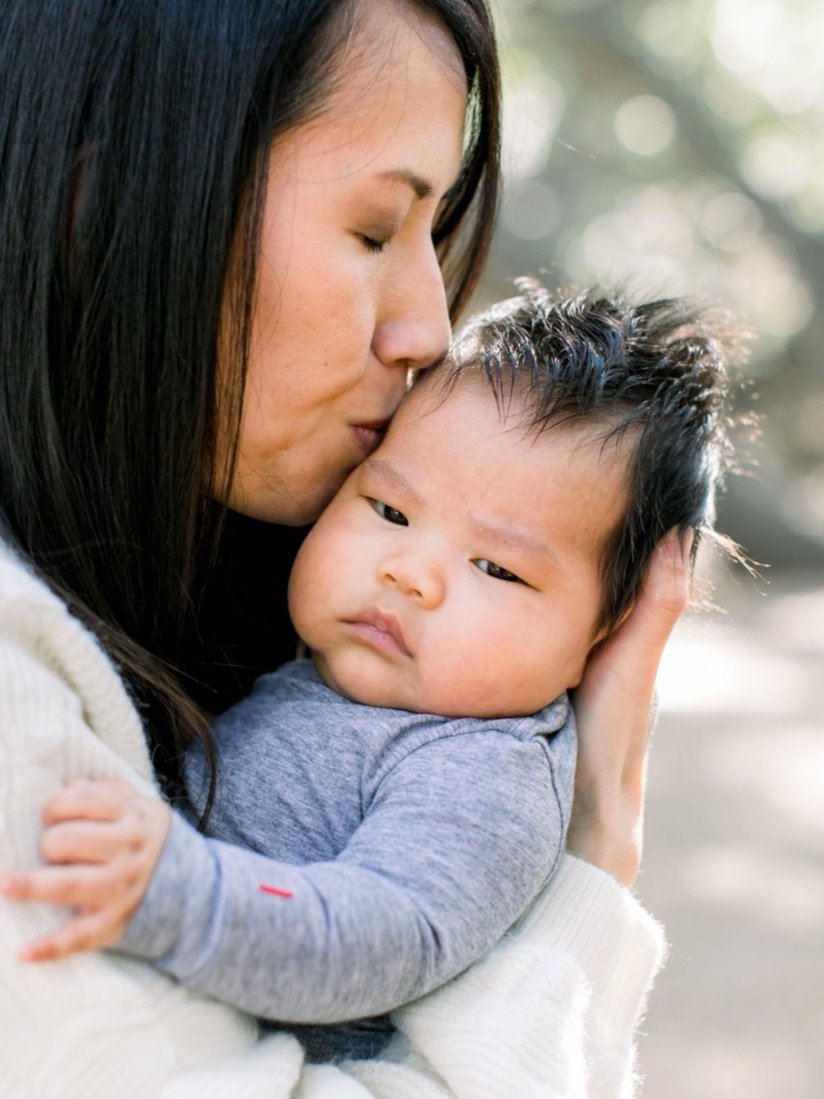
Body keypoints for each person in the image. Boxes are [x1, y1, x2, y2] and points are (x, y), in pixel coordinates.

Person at [0, 0, 690, 1096]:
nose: (424, 326)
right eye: (375, 230)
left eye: (432, 234)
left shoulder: (455, 758)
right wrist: (590, 887)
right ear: (108, 212)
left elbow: (383, 926)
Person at [3, 283, 736, 1072]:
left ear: (605, 638)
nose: (411, 572)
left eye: (495, 566)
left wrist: (184, 894)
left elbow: (387, 932)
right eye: (389, 510)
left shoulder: (483, 770)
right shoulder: (329, 675)